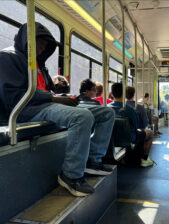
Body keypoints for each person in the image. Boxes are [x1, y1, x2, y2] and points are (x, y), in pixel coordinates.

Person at [0, 22, 115, 197]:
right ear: (28, 40)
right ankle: (71, 175)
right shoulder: (8, 57)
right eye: (41, 42)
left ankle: (92, 159)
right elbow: (13, 96)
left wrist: (62, 98)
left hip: (46, 104)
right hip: (26, 110)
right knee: (82, 116)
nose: (44, 47)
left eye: (47, 44)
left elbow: (46, 90)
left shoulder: (39, 64)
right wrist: (53, 98)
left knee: (107, 112)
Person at [108, 83, 154, 167]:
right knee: (150, 133)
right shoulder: (130, 110)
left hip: (110, 137)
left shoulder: (106, 108)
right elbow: (137, 127)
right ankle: (144, 159)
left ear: (112, 94)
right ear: (124, 94)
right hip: (129, 137)